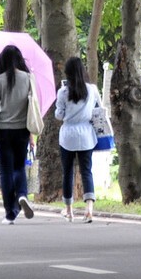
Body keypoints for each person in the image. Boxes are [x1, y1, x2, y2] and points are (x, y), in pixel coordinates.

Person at [0, 44, 36, 224]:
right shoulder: (29, 78)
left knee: (6, 170)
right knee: (19, 167)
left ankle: (10, 212)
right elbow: (33, 105)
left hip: (2, 131)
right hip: (22, 130)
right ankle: (22, 195)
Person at [55, 56, 100, 223]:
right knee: (86, 171)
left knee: (68, 172)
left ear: (67, 73)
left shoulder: (63, 92)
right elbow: (98, 109)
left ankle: (69, 210)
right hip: (87, 134)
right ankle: (89, 208)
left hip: (67, 135)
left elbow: (59, 115)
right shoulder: (92, 90)